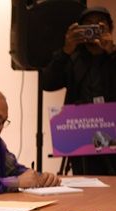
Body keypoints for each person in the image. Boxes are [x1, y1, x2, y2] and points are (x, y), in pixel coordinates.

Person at [42, 6, 116, 175]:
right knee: (85, 180)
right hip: (80, 136)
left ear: (110, 29)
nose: (93, 29)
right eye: (88, 24)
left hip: (112, 132)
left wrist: (112, 52)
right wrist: (65, 51)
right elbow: (48, 83)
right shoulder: (72, 58)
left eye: (99, 24)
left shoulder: (113, 56)